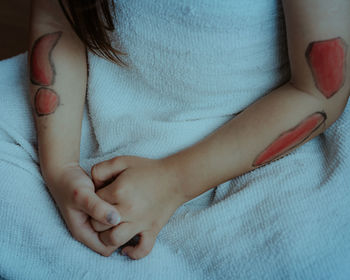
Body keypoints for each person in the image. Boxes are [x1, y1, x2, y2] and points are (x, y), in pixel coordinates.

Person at [23, 0, 350, 262]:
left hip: (252, 139)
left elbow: (319, 91)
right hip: (91, 109)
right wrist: (60, 168)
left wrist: (173, 181)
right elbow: (57, 23)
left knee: (303, 254)